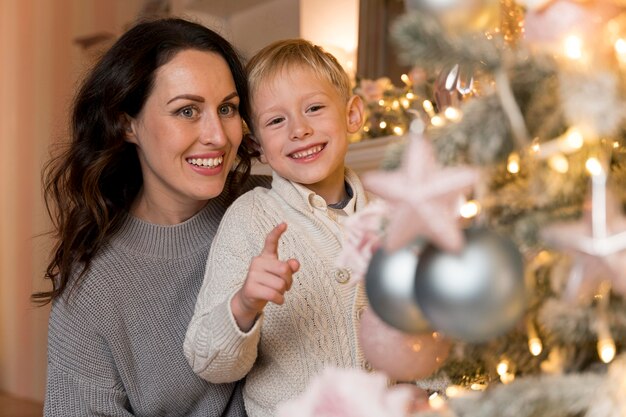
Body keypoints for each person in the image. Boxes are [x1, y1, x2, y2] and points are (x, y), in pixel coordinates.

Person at [35, 18, 270, 416]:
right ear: (128, 123)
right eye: (187, 111)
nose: (218, 135)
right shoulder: (92, 289)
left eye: (227, 108)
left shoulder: (271, 206)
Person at [184, 39, 369, 417]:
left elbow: (427, 325)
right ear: (257, 147)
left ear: (352, 115)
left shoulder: (391, 216)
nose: (299, 130)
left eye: (314, 108)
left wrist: (432, 396)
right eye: (276, 120)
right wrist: (245, 304)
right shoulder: (250, 219)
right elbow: (208, 361)